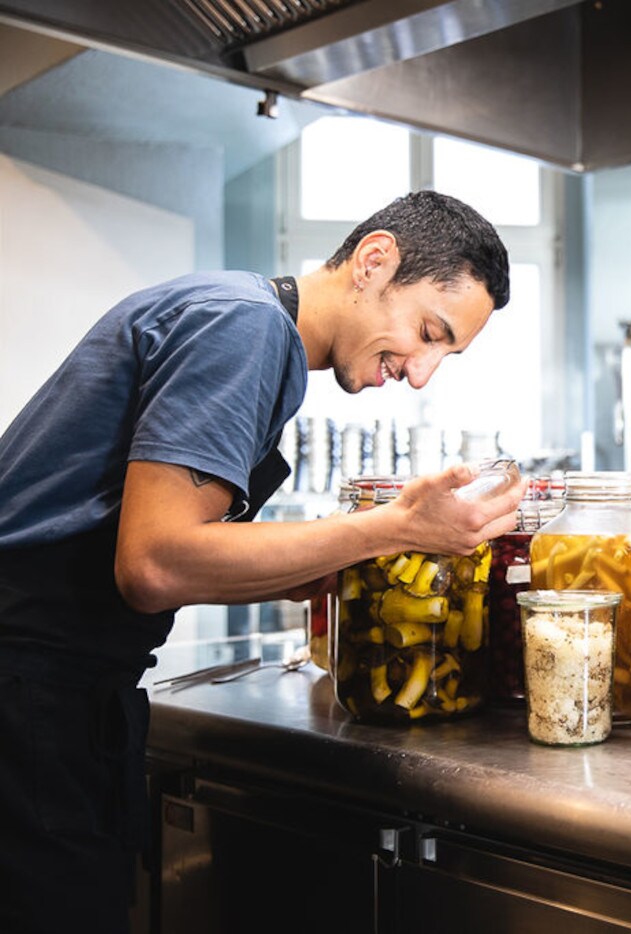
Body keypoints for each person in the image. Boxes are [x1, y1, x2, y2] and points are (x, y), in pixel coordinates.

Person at [0, 189, 526, 933]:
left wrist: (326, 568)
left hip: (49, 693)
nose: (422, 374)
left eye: (447, 354)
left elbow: (171, 559)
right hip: (27, 702)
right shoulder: (247, 330)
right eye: (428, 332)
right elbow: (154, 566)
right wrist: (392, 527)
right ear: (375, 261)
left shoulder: (234, 316)